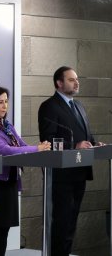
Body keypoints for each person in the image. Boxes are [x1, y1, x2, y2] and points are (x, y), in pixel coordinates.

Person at [0, 85, 51, 256]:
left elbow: (22, 146)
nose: (5, 106)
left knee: (4, 230)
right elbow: (4, 150)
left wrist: (40, 148)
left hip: (9, 181)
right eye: (0, 102)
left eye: (6, 102)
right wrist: (36, 149)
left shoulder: (6, 125)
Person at [38, 66, 104, 256]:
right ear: (59, 83)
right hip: (61, 174)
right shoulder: (49, 106)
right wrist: (74, 145)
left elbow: (86, 134)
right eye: (71, 80)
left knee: (71, 223)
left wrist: (94, 142)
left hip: (79, 172)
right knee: (61, 223)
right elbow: (47, 139)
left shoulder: (79, 105)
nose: (77, 82)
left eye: (77, 79)